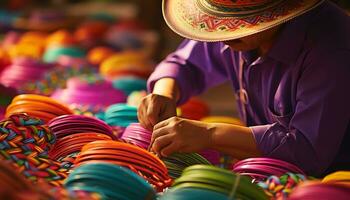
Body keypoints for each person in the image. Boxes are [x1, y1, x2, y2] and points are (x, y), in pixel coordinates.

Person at [137, 0, 350, 176]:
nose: (223, 36)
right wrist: (163, 94)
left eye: (238, 23)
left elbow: (307, 150)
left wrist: (210, 134)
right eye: (221, 22)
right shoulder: (228, 27)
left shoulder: (332, 47)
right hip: (271, 173)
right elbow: (186, 64)